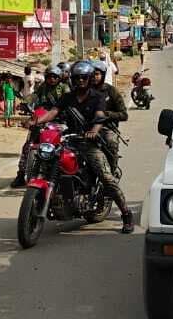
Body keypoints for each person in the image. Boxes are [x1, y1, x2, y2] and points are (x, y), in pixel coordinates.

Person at [28, 61, 134, 234]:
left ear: (90, 78)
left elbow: (99, 116)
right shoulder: (68, 97)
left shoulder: (97, 97)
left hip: (89, 142)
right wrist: (35, 121)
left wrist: (94, 130)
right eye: (77, 78)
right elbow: (53, 112)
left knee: (106, 177)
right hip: (70, 140)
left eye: (84, 78)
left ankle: (126, 214)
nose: (80, 81)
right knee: (48, 159)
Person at [12, 66, 68, 188]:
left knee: (63, 147)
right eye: (49, 76)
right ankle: (21, 175)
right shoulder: (43, 87)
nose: (52, 79)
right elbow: (34, 96)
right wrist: (25, 103)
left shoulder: (64, 88)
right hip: (40, 120)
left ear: (59, 78)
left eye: (55, 77)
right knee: (27, 146)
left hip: (59, 121)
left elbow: (69, 102)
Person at [91, 59, 128, 176]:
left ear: (102, 75)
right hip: (86, 128)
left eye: (96, 74)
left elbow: (123, 115)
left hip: (106, 128)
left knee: (111, 141)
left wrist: (106, 115)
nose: (94, 77)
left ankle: (112, 171)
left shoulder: (111, 91)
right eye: (91, 74)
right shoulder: (84, 91)